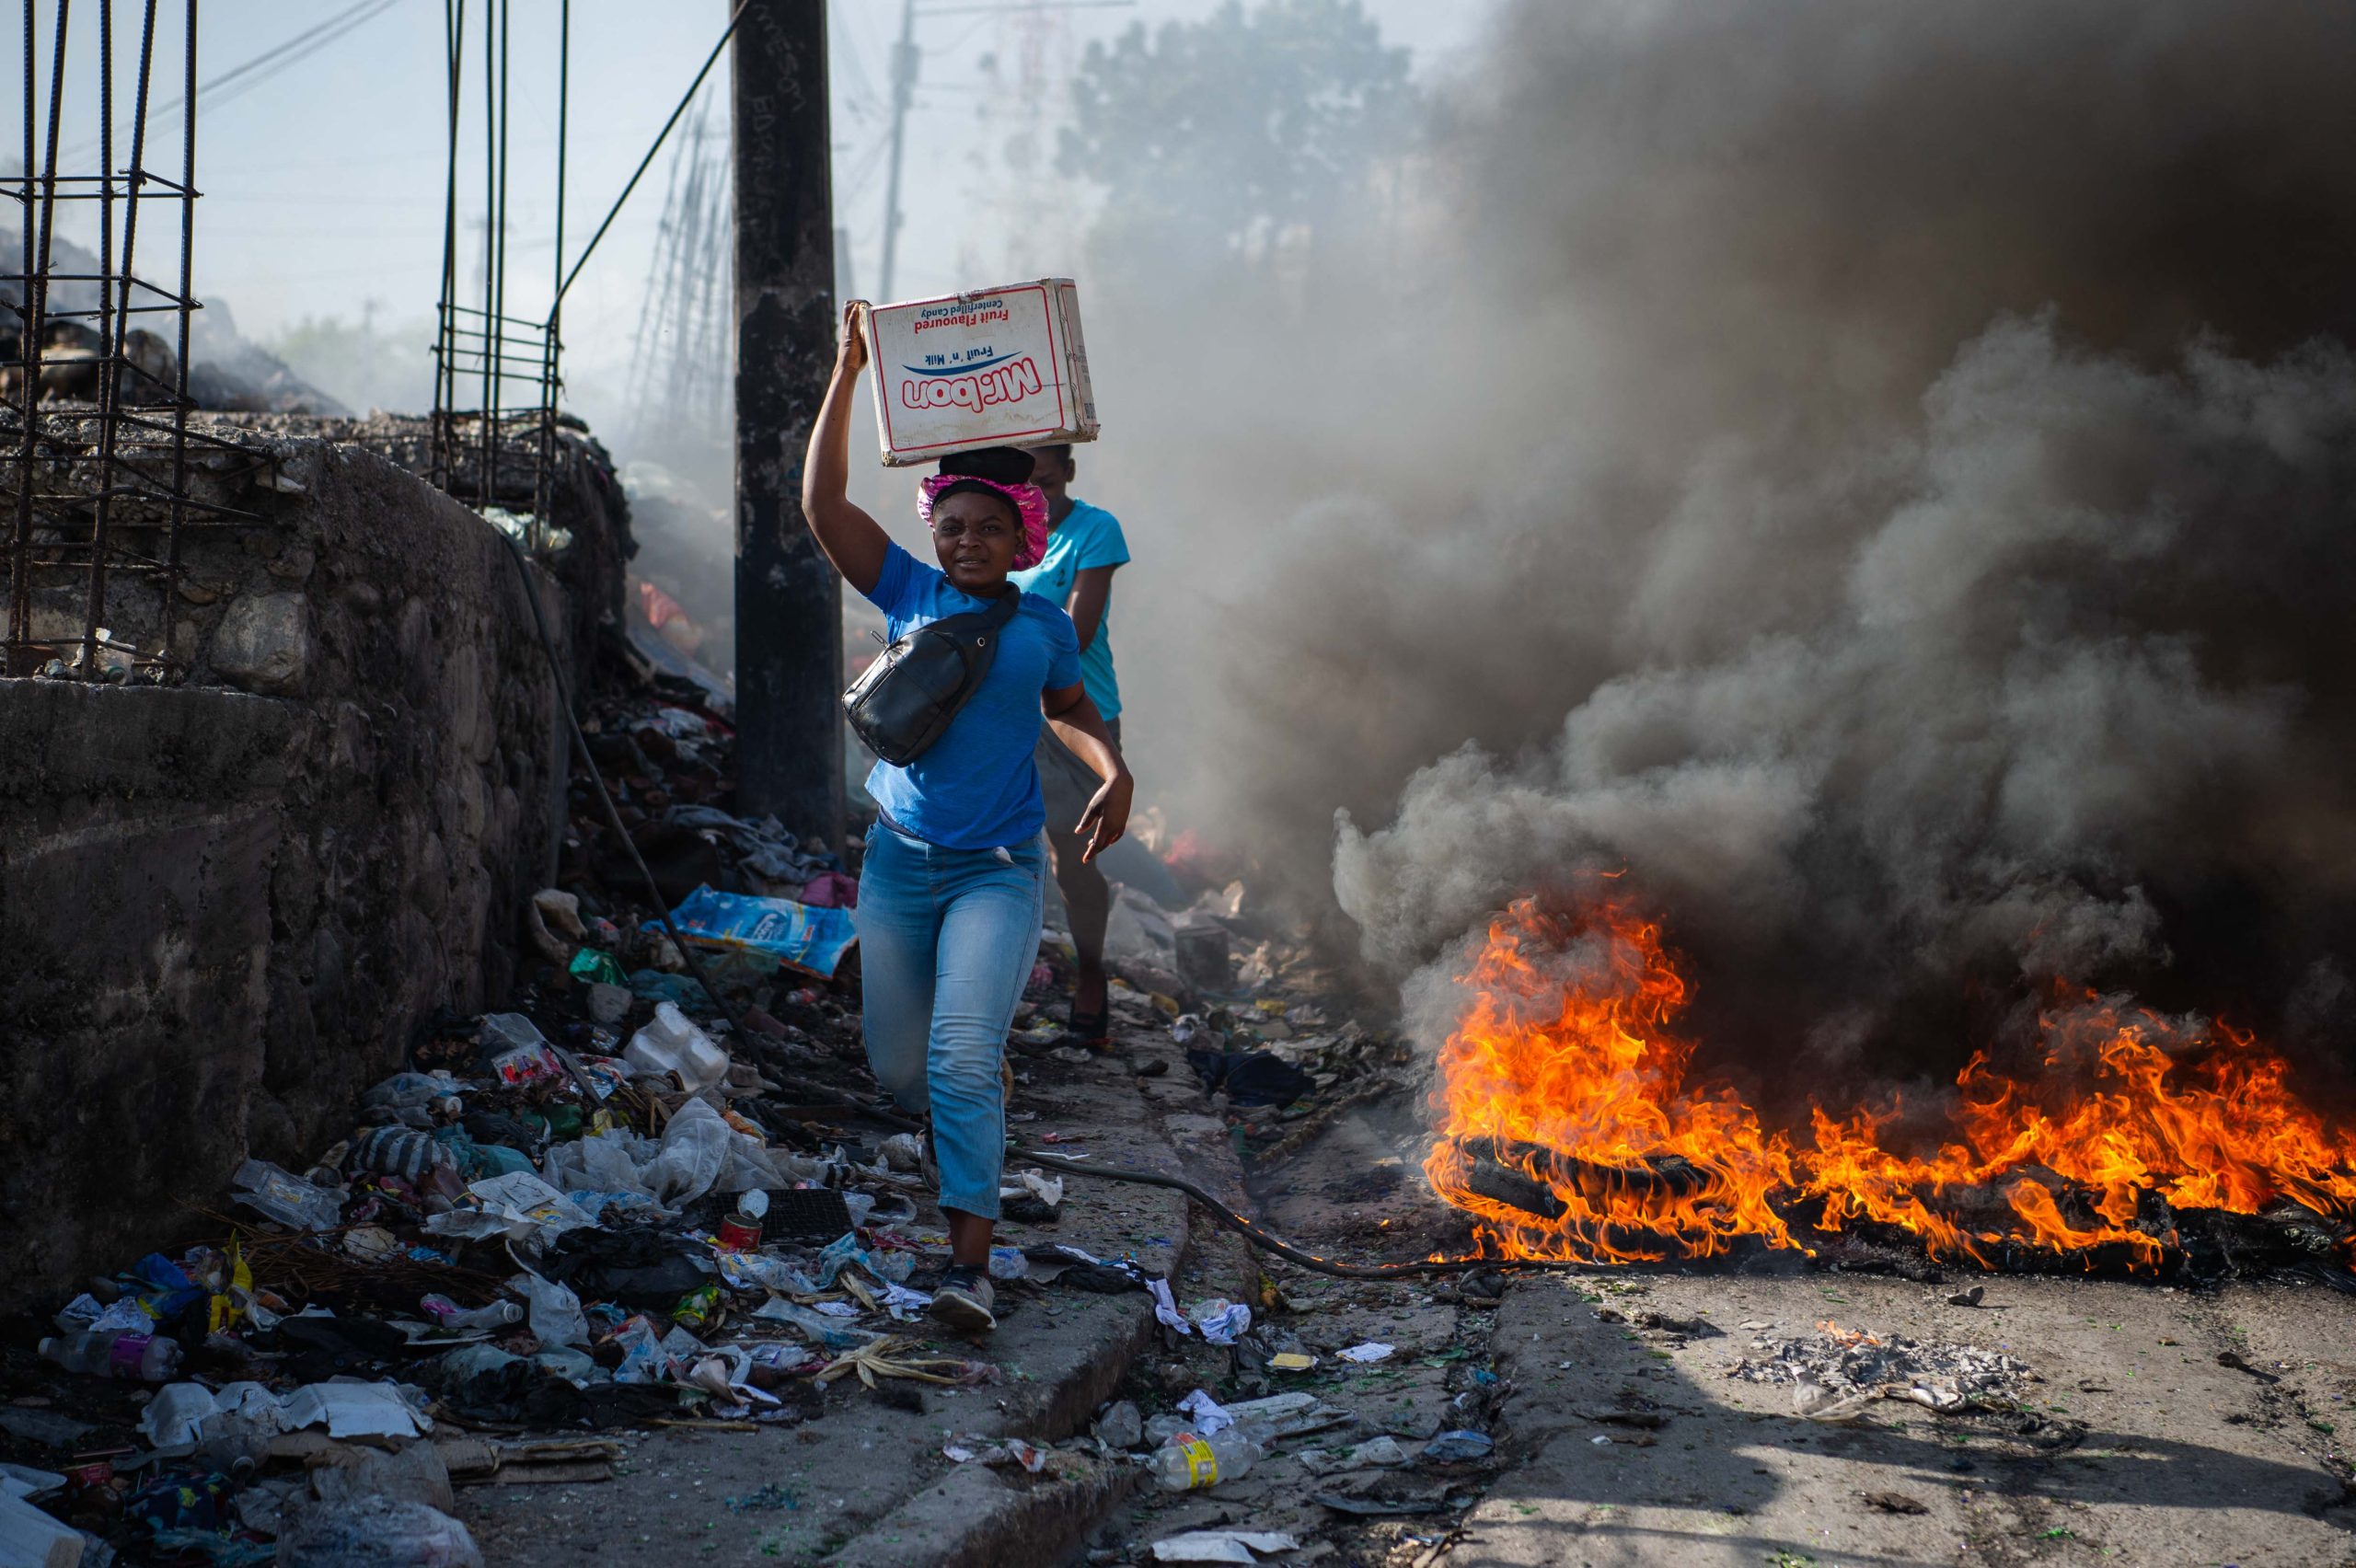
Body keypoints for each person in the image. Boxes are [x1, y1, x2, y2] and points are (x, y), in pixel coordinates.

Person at [801, 303, 1133, 1333]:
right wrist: (848, 373)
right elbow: (822, 501)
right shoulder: (904, 592)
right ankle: (968, 1086)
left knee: (953, 1059)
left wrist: (1111, 769)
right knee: (902, 1069)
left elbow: (1068, 709)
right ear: (932, 533)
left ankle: (968, 1268)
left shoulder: (1040, 624)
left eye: (991, 528)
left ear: (1021, 536)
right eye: (954, 526)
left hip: (996, 870)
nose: (970, 541)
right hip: (898, 868)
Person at [1011, 444, 1132, 1048]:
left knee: (1072, 859)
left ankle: (1090, 972)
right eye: (1024, 486)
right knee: (992, 852)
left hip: (1077, 717)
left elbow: (1075, 634)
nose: (1037, 497)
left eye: (1048, 484)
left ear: (1069, 474)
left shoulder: (1093, 530)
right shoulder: (994, 524)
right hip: (1004, 710)